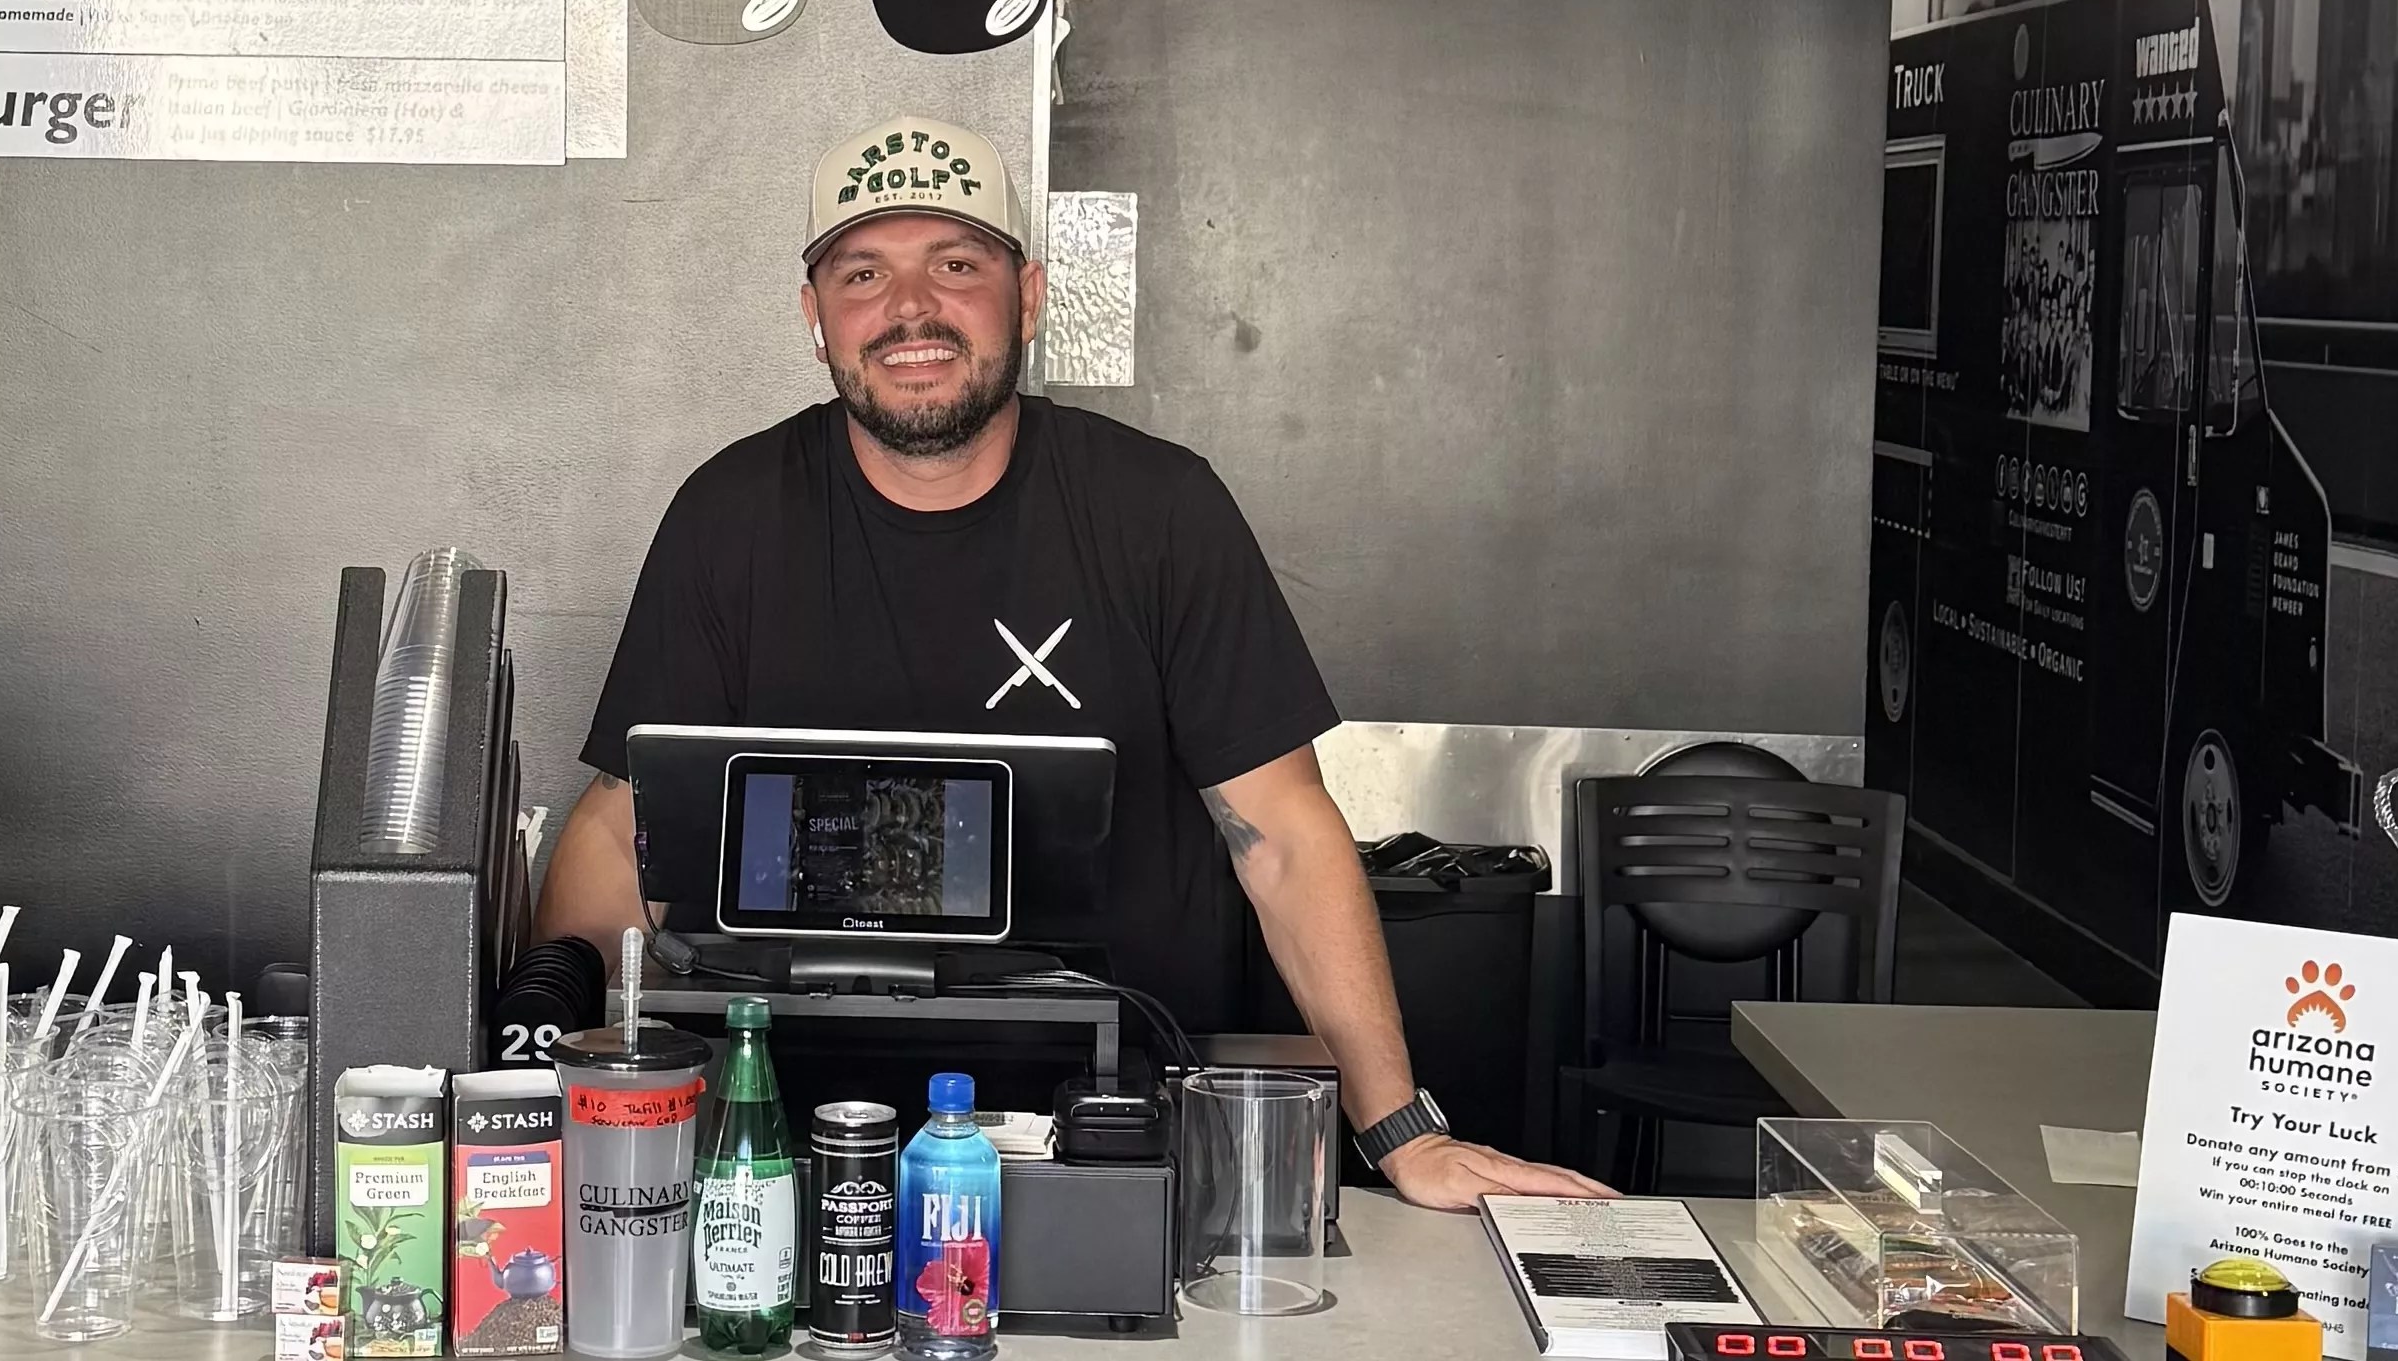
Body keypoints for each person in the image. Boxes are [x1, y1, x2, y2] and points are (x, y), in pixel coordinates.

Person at [536, 113, 1605, 1213]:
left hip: (1124, 1136)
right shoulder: (731, 517)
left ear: (1031, 298)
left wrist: (1399, 1129)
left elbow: (1282, 835)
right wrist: (546, 1122)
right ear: (815, 318)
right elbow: (623, 834)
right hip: (796, 1148)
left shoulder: (1160, 510)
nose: (911, 307)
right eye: (863, 273)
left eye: (958, 265)